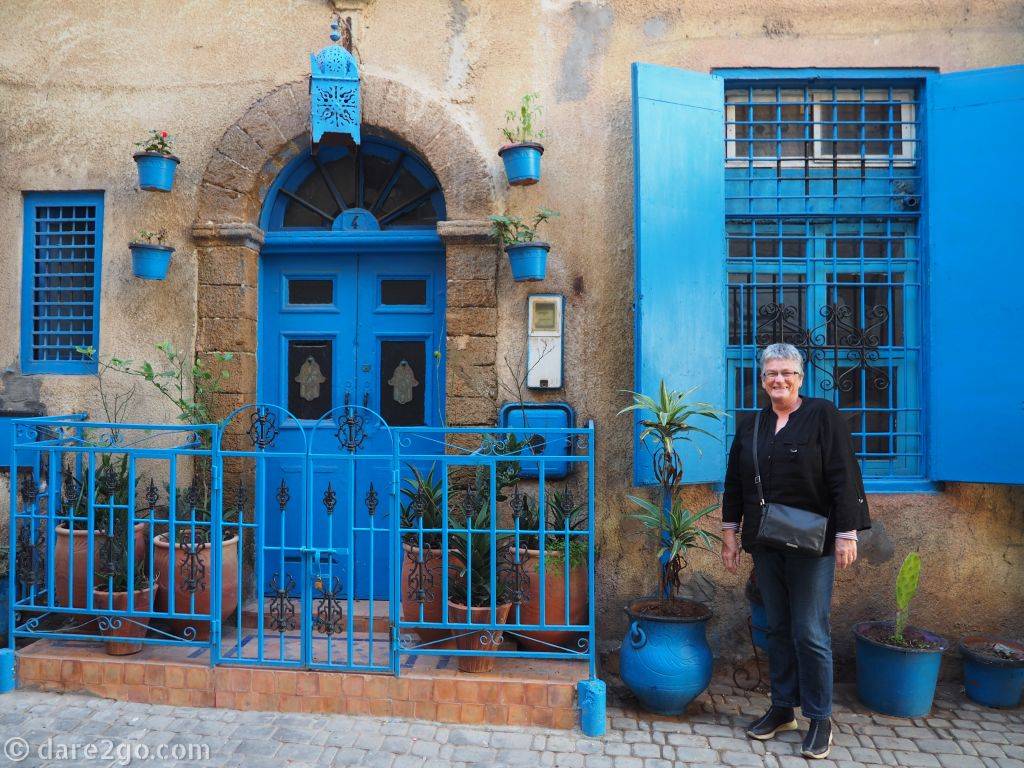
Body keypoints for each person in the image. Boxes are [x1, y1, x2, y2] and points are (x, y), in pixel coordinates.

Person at [721, 343, 870, 760]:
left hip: (813, 544)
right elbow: (735, 482)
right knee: (778, 628)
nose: (779, 380)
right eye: (771, 373)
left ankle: (820, 717)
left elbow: (844, 475)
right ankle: (783, 708)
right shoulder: (752, 426)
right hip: (767, 543)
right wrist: (730, 534)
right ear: (762, 379)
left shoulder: (823, 416)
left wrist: (847, 534)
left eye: (787, 373)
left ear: (801, 378)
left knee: (810, 631)